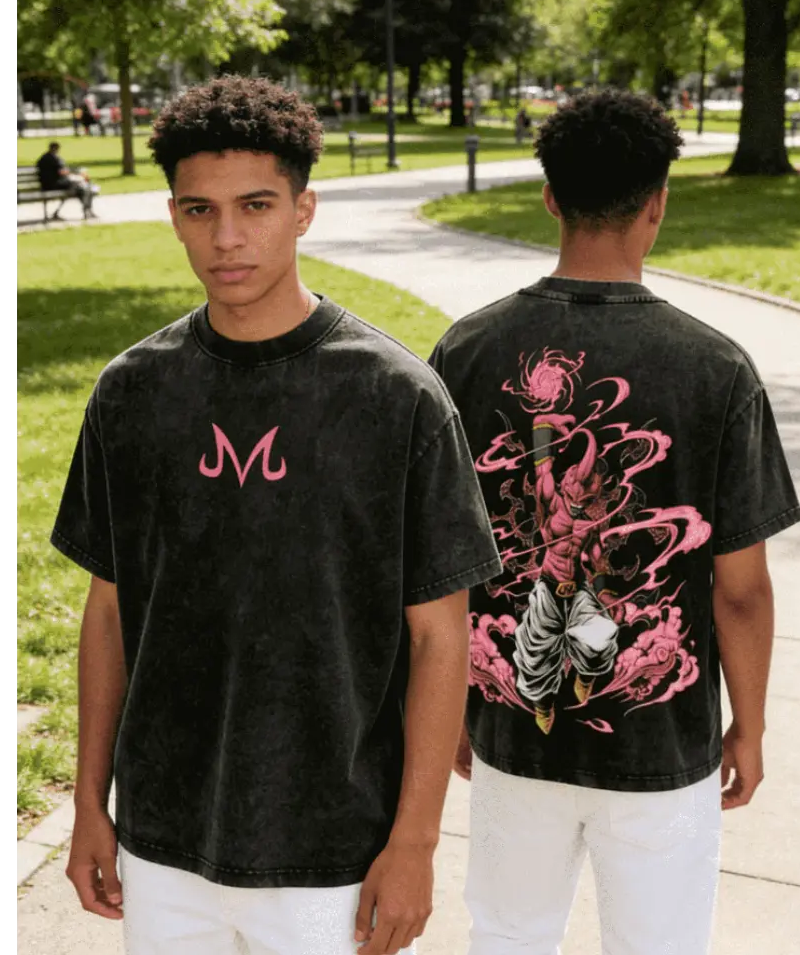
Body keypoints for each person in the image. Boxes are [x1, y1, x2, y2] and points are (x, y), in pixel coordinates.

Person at [51, 74, 503, 955]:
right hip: (163, 837)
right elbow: (108, 612)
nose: (226, 238)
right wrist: (88, 807)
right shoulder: (131, 392)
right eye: (199, 210)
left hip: (333, 850)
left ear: (303, 210)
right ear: (174, 216)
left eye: (255, 205)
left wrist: (414, 844)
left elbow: (440, 638)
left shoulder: (398, 398)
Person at [428, 88, 800, 955]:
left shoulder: (466, 351)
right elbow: (741, 592)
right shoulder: (717, 369)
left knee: (509, 935)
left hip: (510, 732)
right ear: (658, 204)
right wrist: (749, 725)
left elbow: (435, 570)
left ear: (549, 197)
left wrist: (452, 706)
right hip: (662, 752)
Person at [35, 141, 97, 219]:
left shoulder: (43, 158)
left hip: (47, 185)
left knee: (81, 188)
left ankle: (86, 210)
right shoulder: (54, 158)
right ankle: (87, 210)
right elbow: (62, 172)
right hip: (55, 185)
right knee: (82, 187)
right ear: (56, 149)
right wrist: (76, 174)